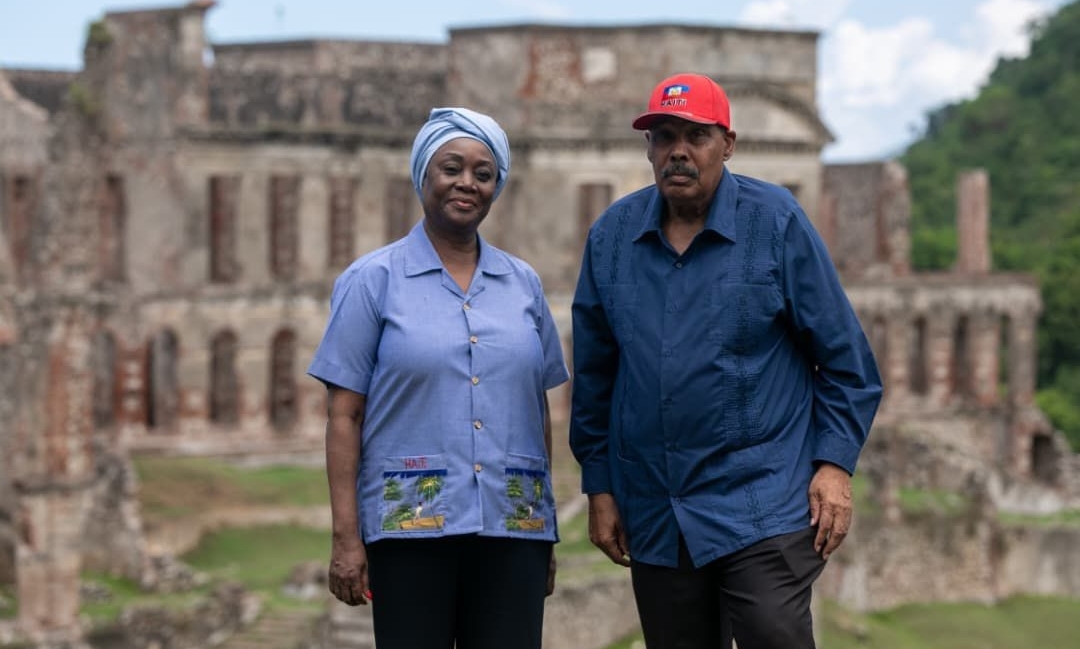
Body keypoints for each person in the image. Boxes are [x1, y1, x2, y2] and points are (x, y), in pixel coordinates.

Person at [569, 72, 883, 649]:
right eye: (664, 136)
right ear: (649, 148)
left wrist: (834, 466)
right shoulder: (612, 238)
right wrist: (601, 486)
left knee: (774, 634)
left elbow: (846, 362)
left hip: (762, 498)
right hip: (660, 507)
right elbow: (595, 377)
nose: (679, 151)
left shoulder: (776, 223)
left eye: (697, 136)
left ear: (728, 144)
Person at [308, 106, 570, 649]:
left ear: (497, 187)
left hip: (511, 526)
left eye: (483, 173)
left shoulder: (523, 284)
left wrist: (545, 534)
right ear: (423, 174)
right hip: (410, 529)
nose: (467, 184)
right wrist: (346, 539)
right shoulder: (372, 282)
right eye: (452, 168)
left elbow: (536, 410)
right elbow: (344, 416)